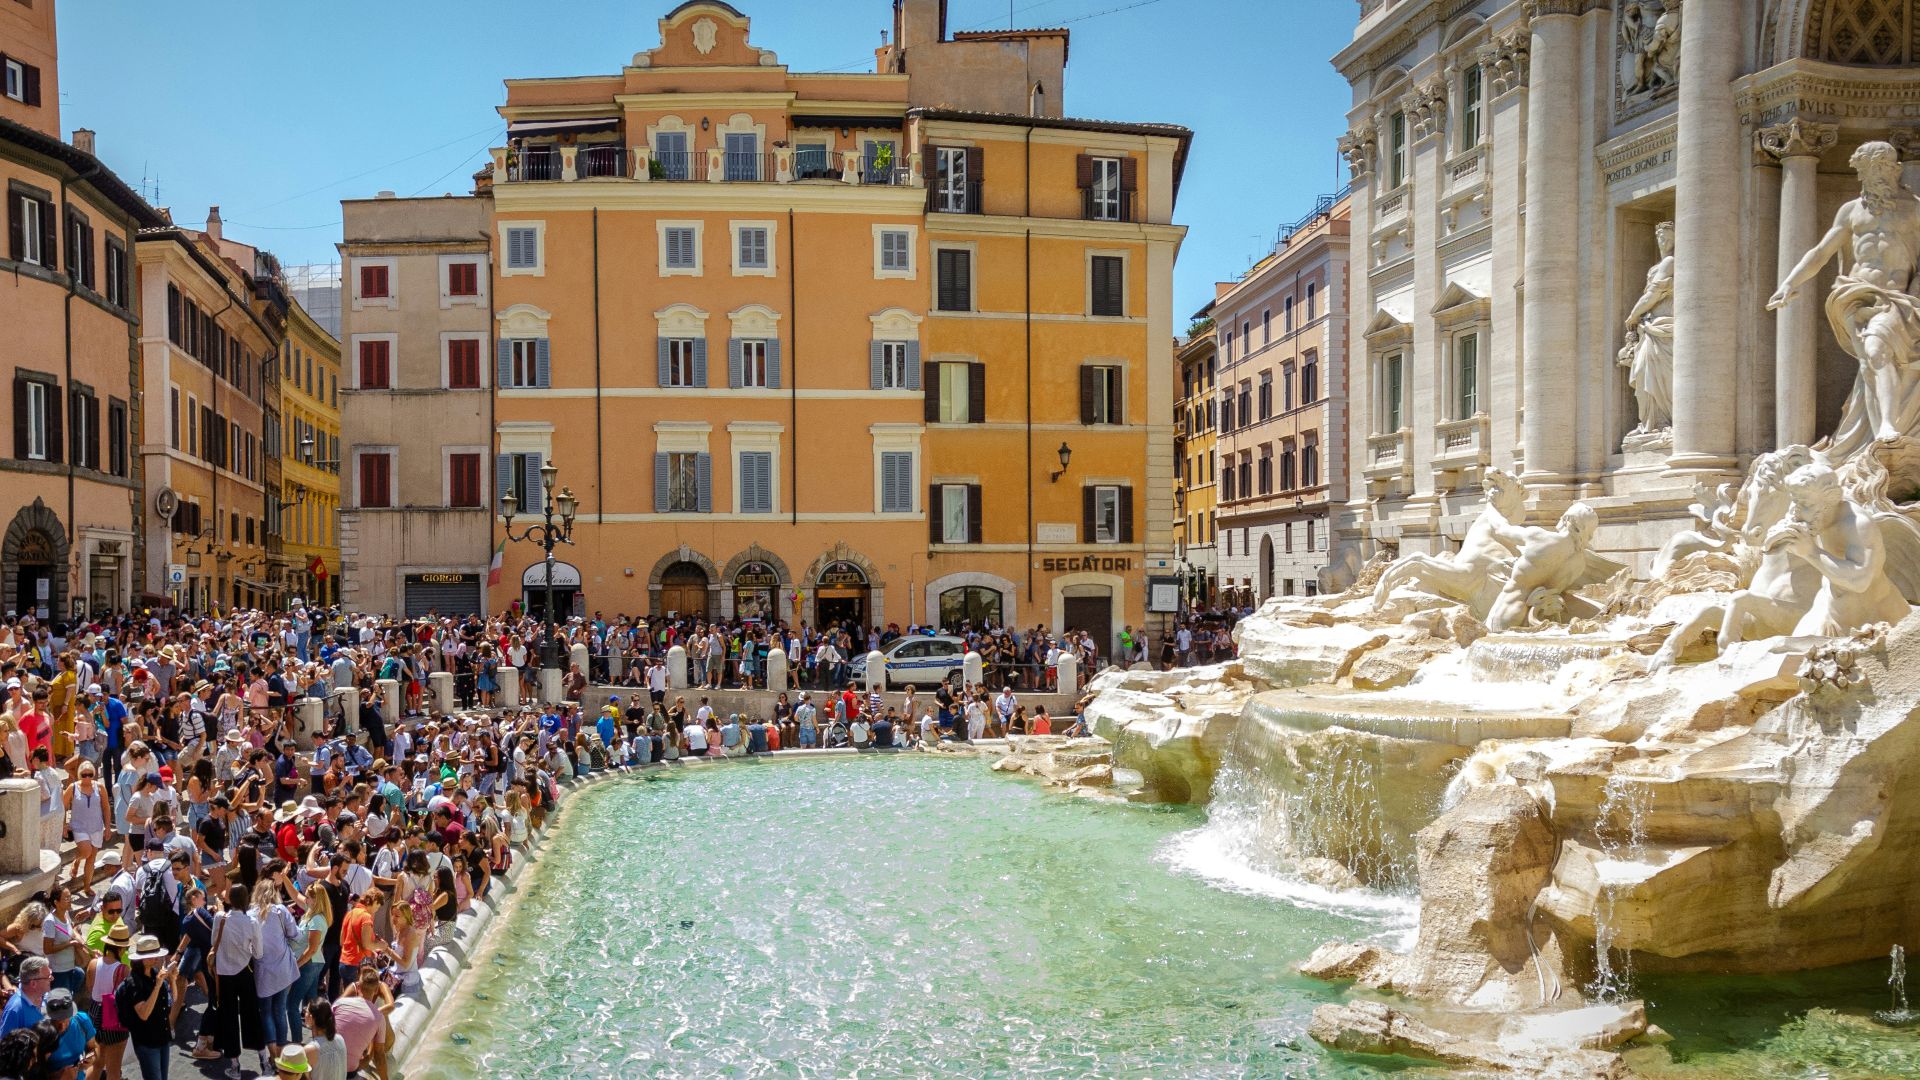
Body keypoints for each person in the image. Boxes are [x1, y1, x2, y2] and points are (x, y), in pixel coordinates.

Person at [116, 933, 180, 1080]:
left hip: (162, 1037)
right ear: (140, 959)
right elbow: (144, 1014)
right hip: (147, 1041)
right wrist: (157, 986)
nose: (156, 959)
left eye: (156, 955)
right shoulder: (134, 982)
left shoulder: (155, 973)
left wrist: (173, 980)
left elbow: (173, 999)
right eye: (152, 956)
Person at [86, 922, 133, 1080]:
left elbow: (90, 988)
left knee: (97, 1063)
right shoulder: (124, 970)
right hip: (113, 1018)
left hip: (94, 1013)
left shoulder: (92, 964)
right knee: (114, 1070)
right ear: (120, 949)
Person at [42, 987, 98, 1077]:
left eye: (66, 1020)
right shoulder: (43, 1032)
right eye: (57, 1021)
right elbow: (37, 1069)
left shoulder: (82, 1020)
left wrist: (90, 1058)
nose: (62, 1026)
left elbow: (93, 1048)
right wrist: (59, 1075)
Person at [0, 956, 50, 1034]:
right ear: (33, 983)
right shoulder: (15, 1009)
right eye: (48, 977)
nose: (52, 978)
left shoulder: (45, 996)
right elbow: (6, 1043)